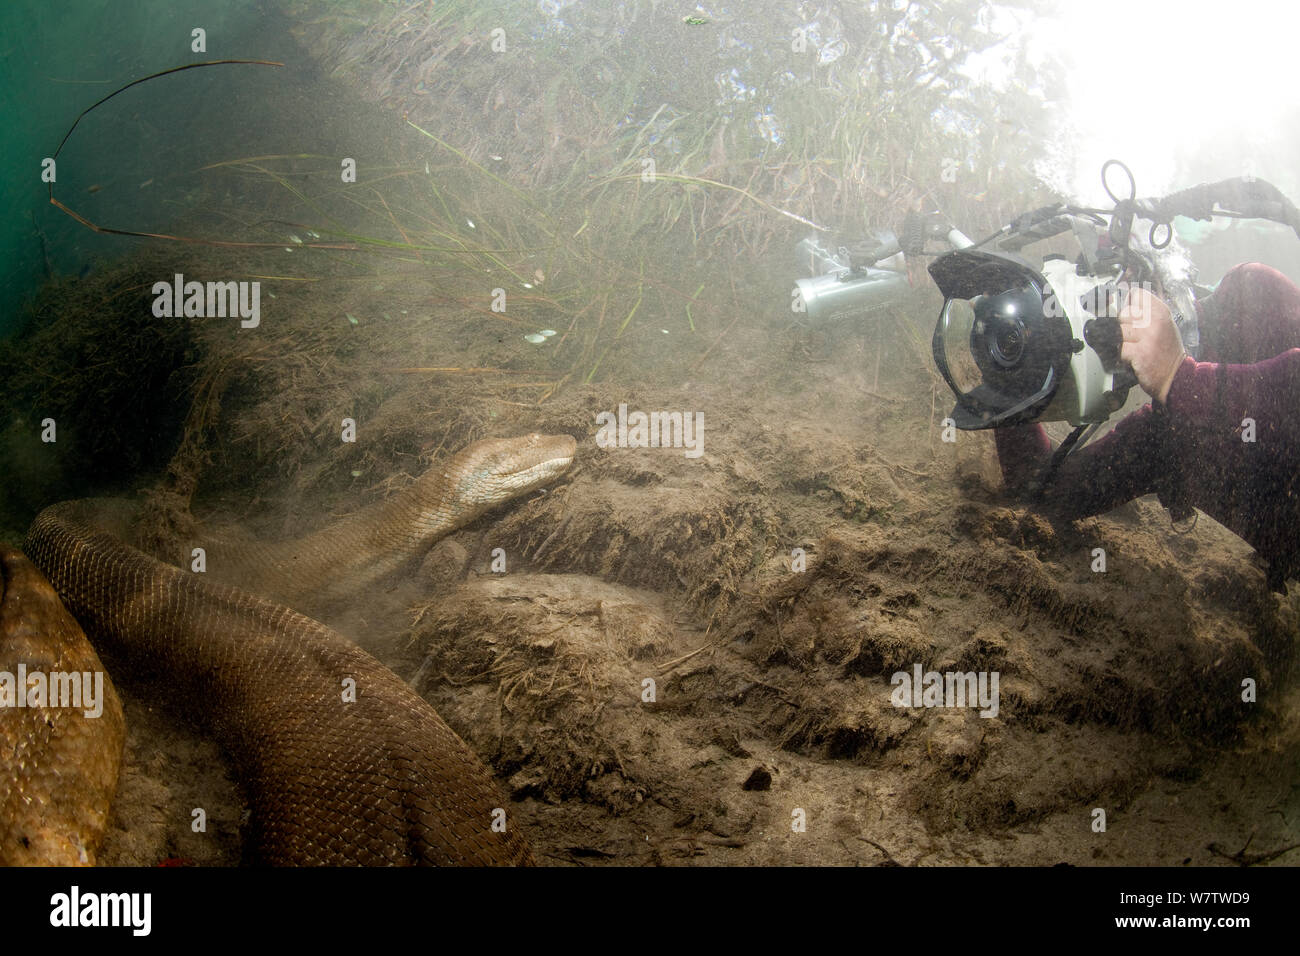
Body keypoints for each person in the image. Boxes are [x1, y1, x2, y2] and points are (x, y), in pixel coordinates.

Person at [995, 262, 1300, 592]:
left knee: (1253, 281)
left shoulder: (1253, 293)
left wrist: (1178, 378)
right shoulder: (1169, 434)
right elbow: (1043, 492)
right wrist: (1012, 377)